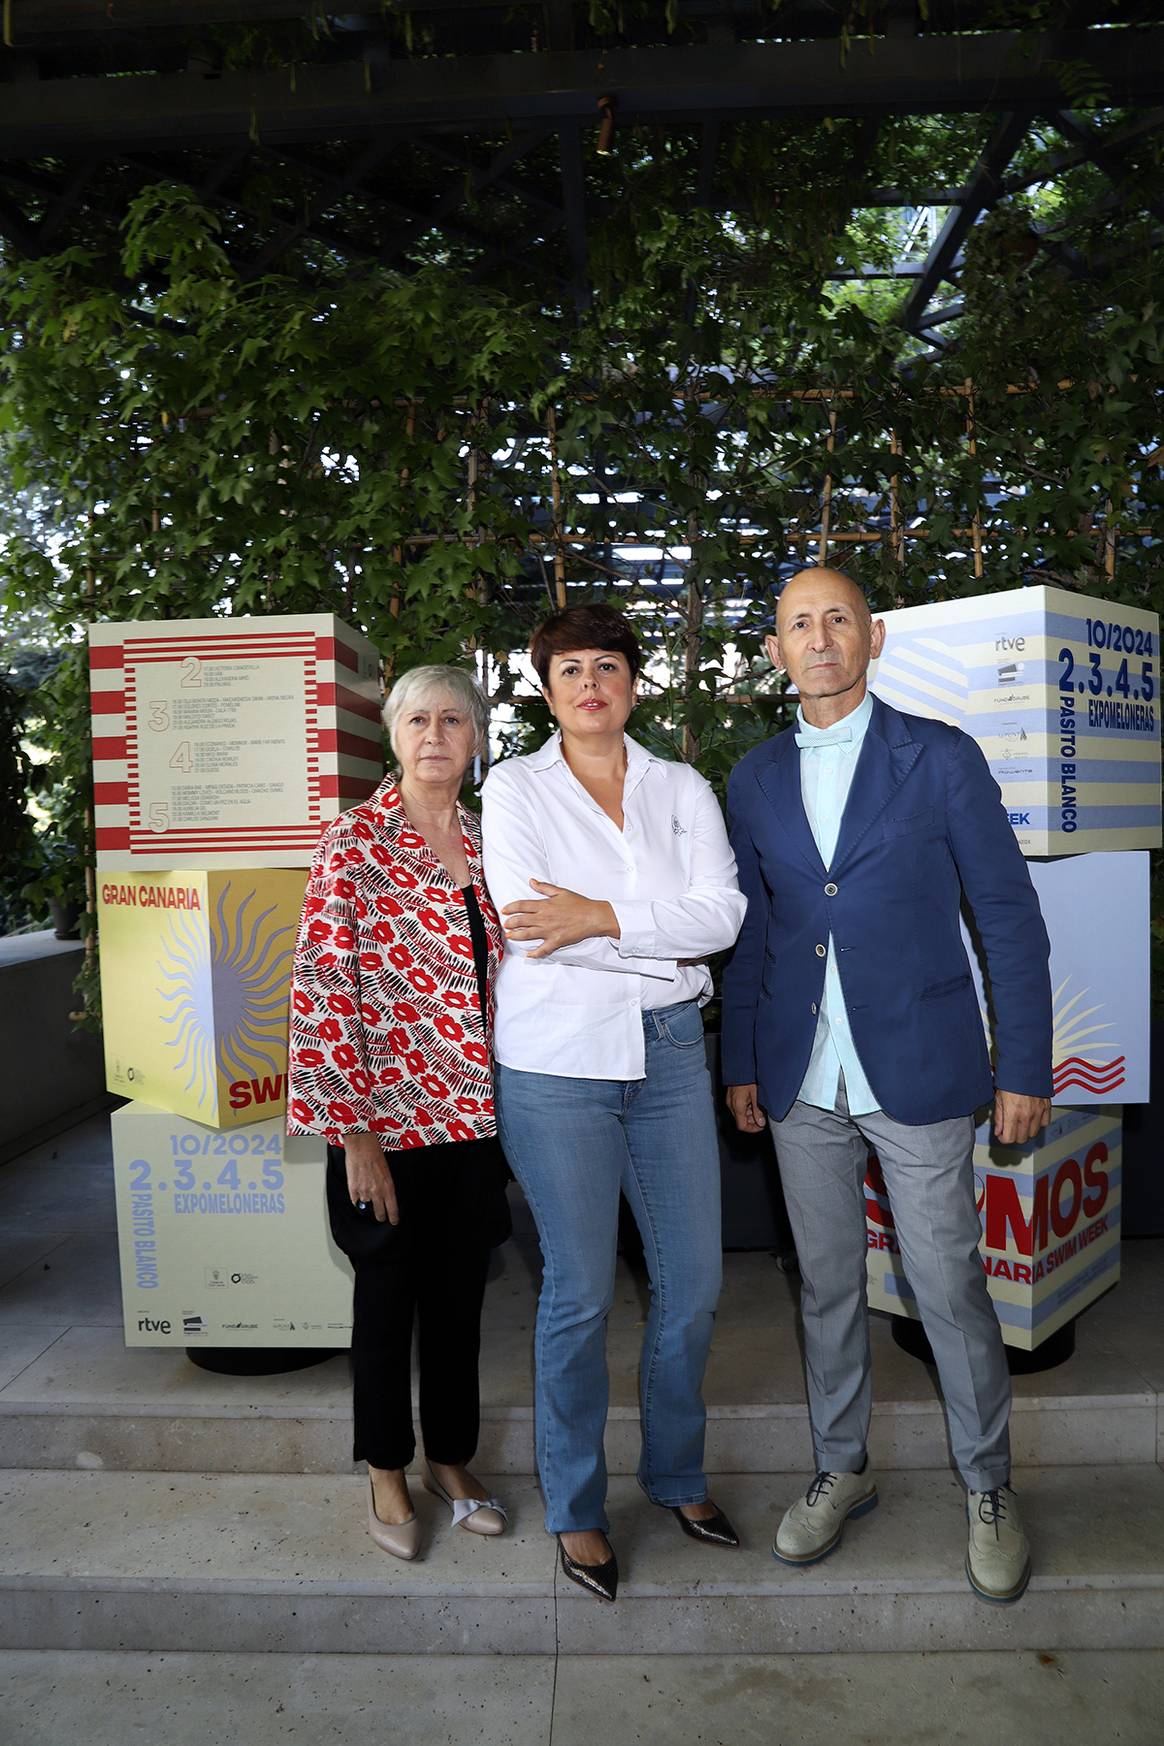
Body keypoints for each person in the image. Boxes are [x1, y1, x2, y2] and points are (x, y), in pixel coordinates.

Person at [721, 567, 1052, 1605]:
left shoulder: (939, 758)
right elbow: (757, 932)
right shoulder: (754, 778)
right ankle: (841, 1465)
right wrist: (740, 1061)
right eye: (797, 625)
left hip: (919, 1064)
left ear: (873, 637)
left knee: (948, 1286)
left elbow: (1008, 918)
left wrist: (1026, 1065)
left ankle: (988, 1484)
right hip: (798, 1078)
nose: (818, 639)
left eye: (837, 620)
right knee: (825, 1287)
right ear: (774, 650)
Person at [481, 602, 748, 1604]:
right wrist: (644, 927)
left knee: (694, 1285)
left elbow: (721, 914)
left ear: (633, 684)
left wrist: (596, 913)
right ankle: (579, 1507)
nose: (590, 683)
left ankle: (677, 1474)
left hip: (673, 1051)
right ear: (545, 691)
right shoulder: (514, 788)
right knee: (582, 1291)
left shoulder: (681, 787)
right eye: (570, 671)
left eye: (607, 666)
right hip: (557, 1064)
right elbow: (528, 923)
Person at [287, 664, 511, 1561]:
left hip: (475, 1118)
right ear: (392, 734)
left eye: (454, 719)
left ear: (476, 739)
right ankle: (385, 1466)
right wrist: (355, 1137)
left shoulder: (498, 843)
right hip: (384, 1122)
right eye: (417, 719)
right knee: (385, 1303)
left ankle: (449, 1461)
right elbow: (320, 990)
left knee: (459, 1304)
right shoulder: (354, 843)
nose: (435, 735)